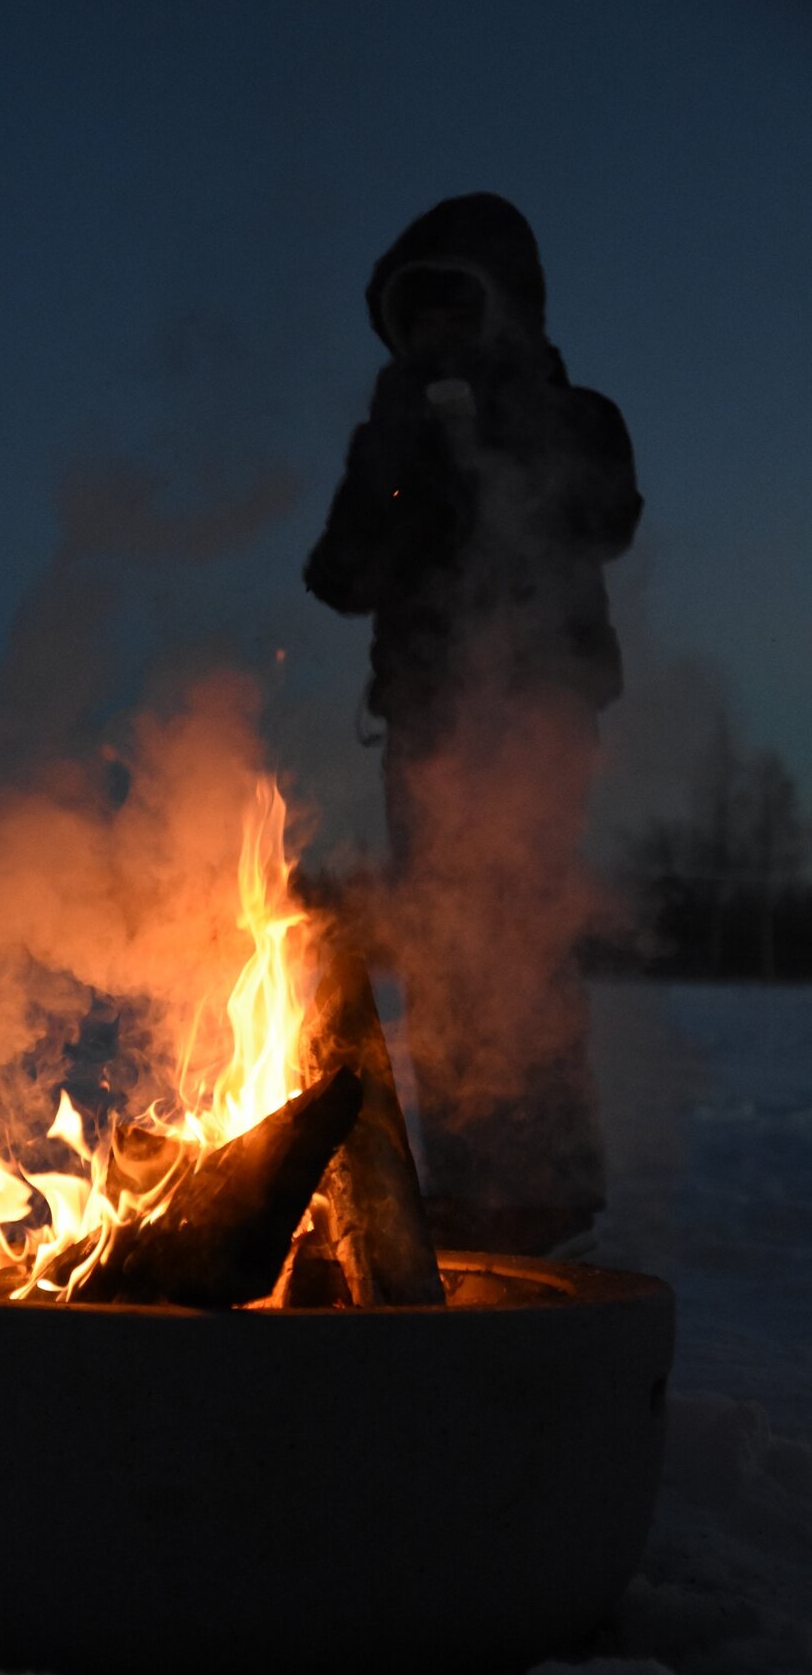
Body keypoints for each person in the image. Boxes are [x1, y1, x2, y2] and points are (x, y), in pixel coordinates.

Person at [304, 193, 642, 1252]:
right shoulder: (390, 432)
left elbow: (606, 517)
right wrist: (396, 465)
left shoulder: (568, 412)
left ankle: (542, 1182)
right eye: (418, 317)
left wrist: (496, 428)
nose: (437, 336)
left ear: (504, 309)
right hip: (426, 721)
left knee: (521, 933)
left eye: (455, 307)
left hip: (532, 712)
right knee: (445, 948)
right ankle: (465, 1184)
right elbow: (337, 576)